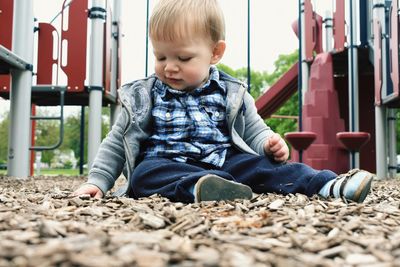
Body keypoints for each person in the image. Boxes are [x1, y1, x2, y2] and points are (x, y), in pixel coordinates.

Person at [73, 0, 374, 203]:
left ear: (215, 53)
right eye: (160, 56)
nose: (169, 67)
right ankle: (202, 187)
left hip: (226, 161)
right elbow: (115, 142)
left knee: (266, 167)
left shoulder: (231, 92)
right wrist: (98, 182)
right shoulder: (144, 95)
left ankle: (327, 185)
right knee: (143, 175)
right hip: (167, 162)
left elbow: (254, 130)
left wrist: (269, 142)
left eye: (183, 57)